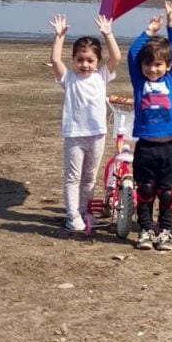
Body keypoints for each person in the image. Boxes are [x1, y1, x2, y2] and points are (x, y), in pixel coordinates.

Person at [49, 13, 122, 233]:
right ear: (74, 60)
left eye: (90, 60)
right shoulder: (68, 78)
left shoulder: (101, 76)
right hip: (74, 135)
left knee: (90, 177)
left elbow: (116, 57)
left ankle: (84, 210)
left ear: (97, 62)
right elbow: (55, 60)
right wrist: (59, 36)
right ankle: (72, 215)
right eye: (80, 60)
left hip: (97, 134)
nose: (85, 64)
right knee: (73, 177)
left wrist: (107, 34)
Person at [128, 0, 172, 252]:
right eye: (148, 64)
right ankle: (145, 230)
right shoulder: (140, 82)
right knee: (146, 189)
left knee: (168, 192)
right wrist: (148, 31)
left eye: (158, 64)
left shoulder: (171, 78)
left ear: (168, 66)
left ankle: (165, 231)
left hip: (171, 146)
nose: (153, 69)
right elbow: (132, 54)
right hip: (146, 147)